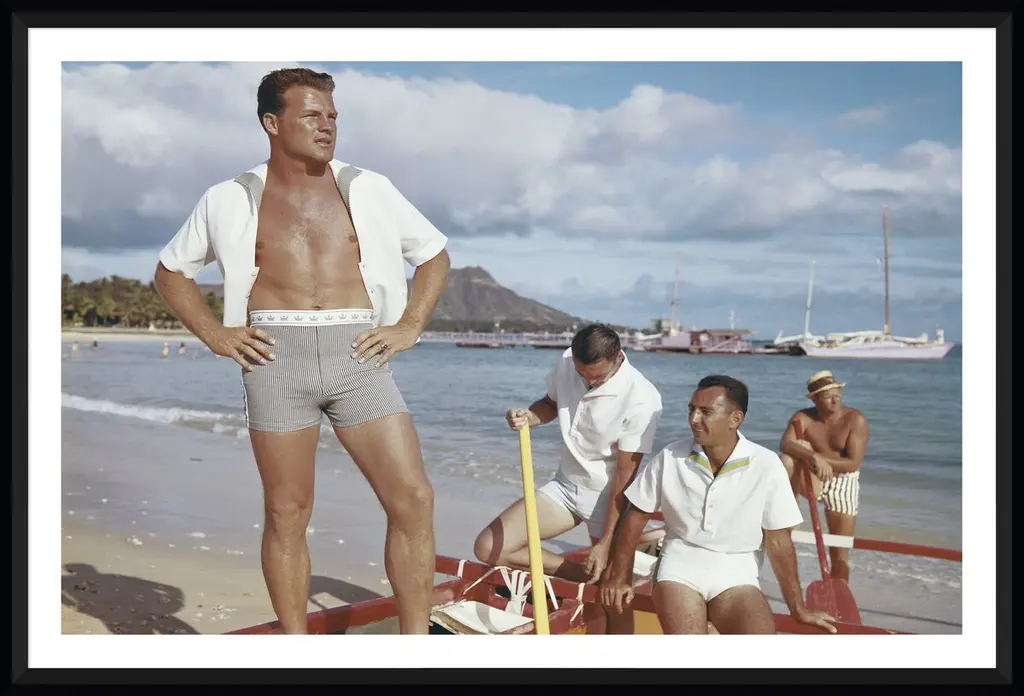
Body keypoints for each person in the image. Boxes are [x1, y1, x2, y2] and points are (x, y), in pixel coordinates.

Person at [152, 67, 451, 634]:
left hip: (359, 354)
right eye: (312, 115)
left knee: (413, 499)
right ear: (273, 122)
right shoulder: (229, 198)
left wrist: (410, 324)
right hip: (274, 359)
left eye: (332, 116)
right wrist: (216, 335)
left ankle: (415, 643)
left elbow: (433, 254)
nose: (327, 126)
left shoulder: (369, 188)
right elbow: (171, 273)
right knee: (287, 511)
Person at [599, 374, 837, 634]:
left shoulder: (766, 464)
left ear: (735, 419)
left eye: (705, 412)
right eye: (691, 409)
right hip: (679, 566)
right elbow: (636, 515)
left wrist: (797, 607)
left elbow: (779, 541)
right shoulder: (670, 456)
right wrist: (619, 577)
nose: (694, 419)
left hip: (738, 573)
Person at [472, 323, 663, 634]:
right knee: (489, 547)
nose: (588, 382)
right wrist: (529, 416)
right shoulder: (567, 361)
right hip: (565, 485)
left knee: (613, 596)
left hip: (610, 498)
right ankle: (584, 576)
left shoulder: (642, 398)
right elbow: (550, 404)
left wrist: (605, 543)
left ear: (618, 358)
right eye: (581, 374)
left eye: (597, 378)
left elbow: (625, 477)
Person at [779, 370, 869, 584]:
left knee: (839, 552)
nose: (835, 399)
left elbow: (853, 463)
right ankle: (789, 515)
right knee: (787, 460)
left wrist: (820, 459)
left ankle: (839, 593)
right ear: (815, 399)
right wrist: (813, 457)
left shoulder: (855, 419)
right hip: (813, 476)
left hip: (843, 481)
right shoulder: (803, 418)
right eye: (828, 396)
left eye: (837, 394)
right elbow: (785, 444)